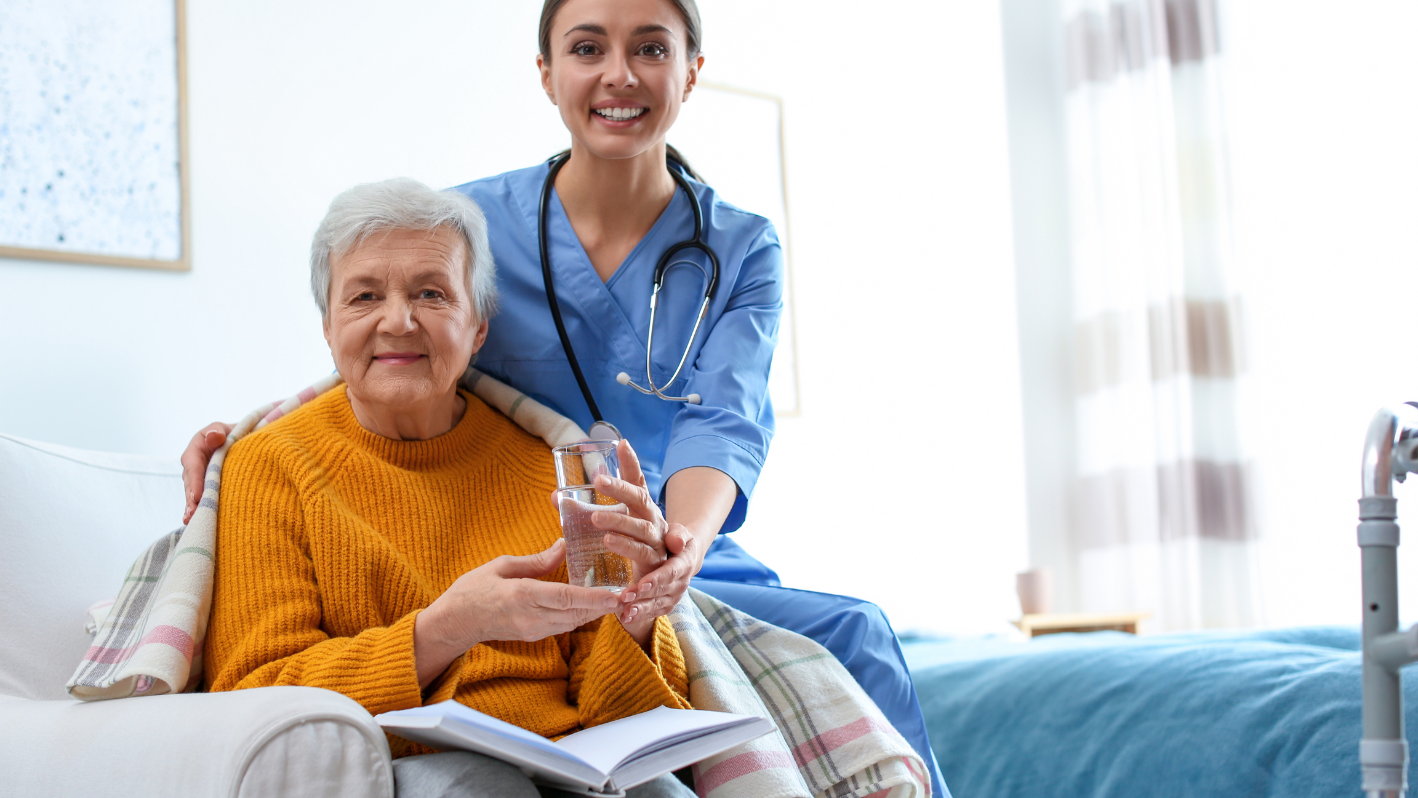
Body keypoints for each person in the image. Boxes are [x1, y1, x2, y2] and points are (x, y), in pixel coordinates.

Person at [186, 1, 947, 793]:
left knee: (855, 629)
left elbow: (721, 425)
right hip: (536, 539)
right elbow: (394, 339)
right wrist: (245, 437)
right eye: (588, 47)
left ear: (691, 70)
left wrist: (672, 550)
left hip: (679, 541)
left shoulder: (740, 246)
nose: (619, 73)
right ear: (547, 72)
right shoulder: (470, 221)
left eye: (651, 47)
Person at [204, 178, 696, 797]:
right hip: (407, 765)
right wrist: (447, 628)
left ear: (479, 327)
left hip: (572, 761)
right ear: (328, 326)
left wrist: (637, 612)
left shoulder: (551, 467)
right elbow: (250, 696)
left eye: (431, 293)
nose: (398, 321)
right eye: (363, 296)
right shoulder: (269, 466)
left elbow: (618, 716)